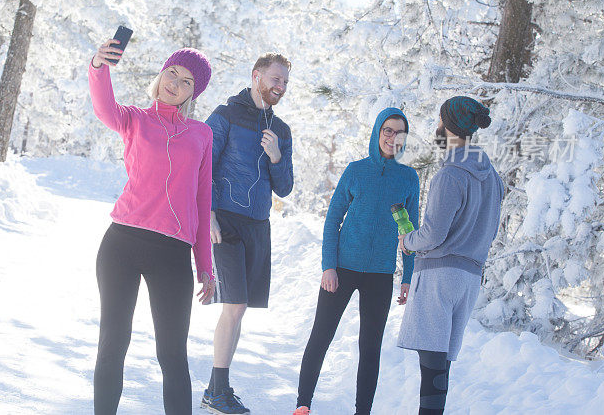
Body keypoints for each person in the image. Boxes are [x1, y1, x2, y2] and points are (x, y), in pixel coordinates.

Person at [88, 40, 217, 415]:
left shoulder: (201, 134)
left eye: (186, 81)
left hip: (172, 255)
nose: (174, 84)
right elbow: (103, 107)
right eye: (172, 73)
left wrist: (205, 265)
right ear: (162, 74)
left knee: (173, 355)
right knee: (113, 342)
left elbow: (201, 200)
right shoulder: (133, 119)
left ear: (195, 93)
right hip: (121, 245)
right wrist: (99, 65)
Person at [292, 108, 420, 415]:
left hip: (380, 274)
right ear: (377, 132)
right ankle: (302, 405)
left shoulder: (408, 178)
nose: (393, 137)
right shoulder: (355, 170)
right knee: (321, 336)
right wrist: (328, 266)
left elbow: (410, 231)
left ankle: (363, 411)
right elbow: (333, 218)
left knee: (370, 347)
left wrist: (407, 277)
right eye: (387, 130)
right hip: (343, 269)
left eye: (399, 133)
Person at [397, 96, 505, 415]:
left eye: (440, 121)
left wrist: (408, 241)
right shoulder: (493, 177)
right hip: (470, 278)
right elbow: (491, 230)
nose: (437, 126)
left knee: (431, 366)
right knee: (440, 367)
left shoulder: (450, 175)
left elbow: (433, 233)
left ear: (450, 127)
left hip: (439, 275)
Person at [201, 53, 294, 414]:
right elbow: (202, 164)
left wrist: (275, 156)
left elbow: (284, 188)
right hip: (225, 221)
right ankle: (217, 390)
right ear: (256, 76)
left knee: (238, 311)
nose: (279, 86)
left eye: (284, 81)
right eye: (274, 78)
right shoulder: (226, 114)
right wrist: (207, 214)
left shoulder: (281, 131)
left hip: (258, 225)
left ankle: (217, 388)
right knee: (235, 304)